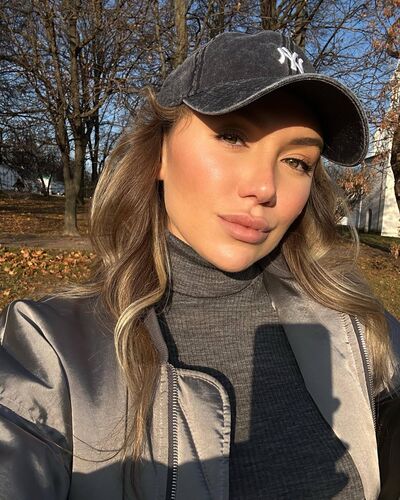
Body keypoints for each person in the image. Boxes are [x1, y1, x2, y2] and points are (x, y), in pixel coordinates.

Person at [0, 30, 399, 500]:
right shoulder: (51, 353)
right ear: (159, 154)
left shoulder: (357, 327)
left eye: (297, 161)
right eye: (232, 136)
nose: (264, 188)